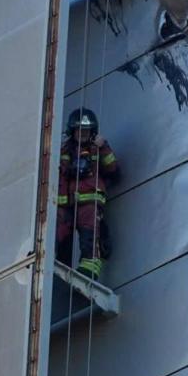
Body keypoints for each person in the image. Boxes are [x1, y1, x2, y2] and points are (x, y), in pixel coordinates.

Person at [56, 108, 120, 280]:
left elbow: (113, 169)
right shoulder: (63, 150)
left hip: (89, 202)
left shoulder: (98, 149)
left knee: (89, 239)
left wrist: (103, 146)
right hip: (65, 204)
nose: (83, 134)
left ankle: (88, 272)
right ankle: (58, 273)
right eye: (79, 130)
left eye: (86, 130)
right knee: (60, 239)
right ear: (72, 131)